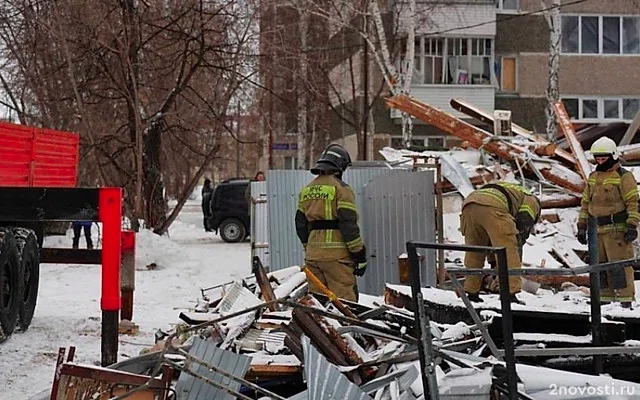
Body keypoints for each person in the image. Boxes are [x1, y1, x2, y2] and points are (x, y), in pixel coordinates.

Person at [295, 144, 366, 302]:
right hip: (337, 259)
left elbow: (300, 224)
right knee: (344, 304)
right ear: (339, 167)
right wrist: (359, 255)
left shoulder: (306, 190)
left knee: (318, 304)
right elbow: (348, 225)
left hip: (313, 257)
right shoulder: (342, 189)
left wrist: (309, 247)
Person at [577, 136, 639, 308]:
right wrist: (581, 226)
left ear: (613, 156)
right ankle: (603, 300)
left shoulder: (623, 176)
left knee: (619, 266)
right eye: (598, 158)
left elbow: (633, 202)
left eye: (604, 158)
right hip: (596, 231)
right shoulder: (593, 176)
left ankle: (624, 301)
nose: (601, 161)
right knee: (600, 268)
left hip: (616, 230)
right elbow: (585, 203)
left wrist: (632, 225)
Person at [459, 181, 541, 304]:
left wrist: (493, 263)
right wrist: (516, 248)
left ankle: (472, 292)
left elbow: (492, 238)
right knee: (509, 252)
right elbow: (521, 227)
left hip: (470, 204)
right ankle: (509, 294)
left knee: (475, 252)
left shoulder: (512, 190)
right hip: (494, 206)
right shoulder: (532, 201)